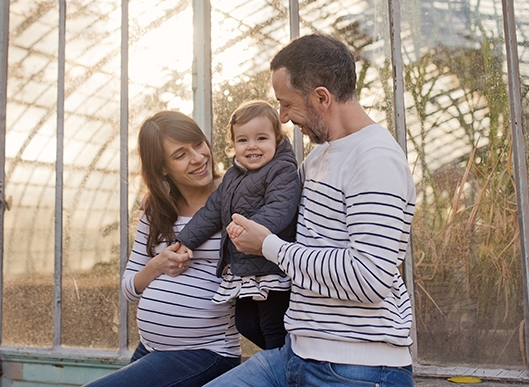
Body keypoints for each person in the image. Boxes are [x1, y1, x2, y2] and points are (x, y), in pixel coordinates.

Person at [206, 34, 417, 387]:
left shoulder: (375, 159)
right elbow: (261, 194)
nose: (283, 118)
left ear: (321, 97)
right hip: (296, 355)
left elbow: (370, 278)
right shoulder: (320, 155)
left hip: (356, 368)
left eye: (286, 104)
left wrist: (268, 246)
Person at [84, 111, 241, 387]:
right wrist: (157, 265)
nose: (198, 157)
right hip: (151, 349)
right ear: (162, 168)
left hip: (207, 352)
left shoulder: (235, 195)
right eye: (180, 155)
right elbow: (129, 288)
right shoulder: (157, 211)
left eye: (198, 144)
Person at [175, 100, 301, 351]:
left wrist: (248, 229)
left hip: (272, 268)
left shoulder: (282, 170)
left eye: (261, 138)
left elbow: (280, 209)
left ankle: (283, 366)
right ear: (233, 144)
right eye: (243, 140)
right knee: (245, 324)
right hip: (244, 269)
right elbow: (211, 211)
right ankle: (284, 359)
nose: (252, 146)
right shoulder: (232, 176)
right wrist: (185, 240)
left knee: (272, 326)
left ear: (277, 139)